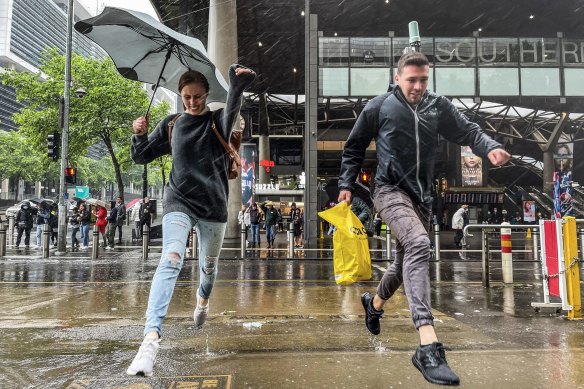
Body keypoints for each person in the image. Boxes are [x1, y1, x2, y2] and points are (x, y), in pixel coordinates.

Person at [338, 51, 510, 386]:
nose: (417, 86)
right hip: (388, 191)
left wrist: (489, 146)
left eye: (423, 80)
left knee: (404, 263)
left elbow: (468, 131)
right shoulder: (379, 106)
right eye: (411, 79)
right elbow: (353, 147)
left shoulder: (437, 106)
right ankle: (428, 344)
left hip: (423, 197)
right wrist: (346, 183)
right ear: (398, 76)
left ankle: (373, 305)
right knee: (418, 244)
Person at [127, 64, 255, 377]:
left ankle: (202, 301)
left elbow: (233, 107)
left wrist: (238, 84)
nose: (192, 102)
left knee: (208, 269)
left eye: (197, 96)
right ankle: (150, 341)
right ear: (180, 96)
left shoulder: (217, 121)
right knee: (171, 257)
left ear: (206, 95)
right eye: (186, 97)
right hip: (178, 201)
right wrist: (138, 134)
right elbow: (141, 156)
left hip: (213, 206)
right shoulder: (171, 124)